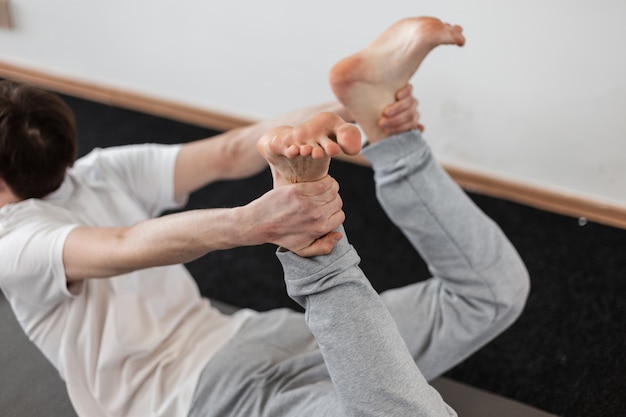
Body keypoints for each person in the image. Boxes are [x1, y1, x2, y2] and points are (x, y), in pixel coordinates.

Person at [0, 16, 529, 417]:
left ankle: (318, 254)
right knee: (492, 291)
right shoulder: (97, 174)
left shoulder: (15, 237)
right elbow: (129, 235)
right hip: (265, 342)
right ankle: (384, 166)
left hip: (209, 399)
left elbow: (130, 238)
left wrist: (361, 113)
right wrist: (260, 218)